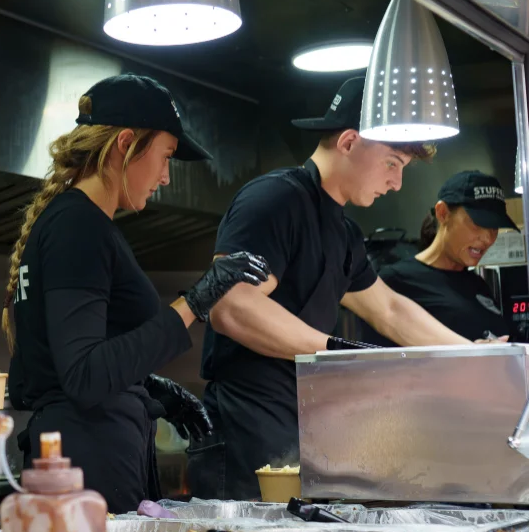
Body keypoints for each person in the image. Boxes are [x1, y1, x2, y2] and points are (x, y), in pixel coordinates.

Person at [189, 76, 495, 501]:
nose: (397, 184)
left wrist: (477, 356)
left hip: (302, 428)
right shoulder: (275, 199)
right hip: (246, 428)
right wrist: (337, 352)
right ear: (349, 142)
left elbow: (389, 310)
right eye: (392, 163)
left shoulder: (344, 231)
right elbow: (232, 305)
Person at [2, 74, 271, 514]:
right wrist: (196, 302)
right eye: (165, 156)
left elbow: (61, 366)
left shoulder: (72, 222)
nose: (166, 177)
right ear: (126, 143)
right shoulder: (79, 226)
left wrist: (149, 389)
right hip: (91, 465)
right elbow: (84, 376)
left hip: (88, 455)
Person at [360, 171, 516, 344]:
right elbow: (379, 363)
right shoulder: (394, 281)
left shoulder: (478, 284)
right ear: (443, 213)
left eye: (494, 228)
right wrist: (470, 355)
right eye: (478, 224)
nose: (488, 239)